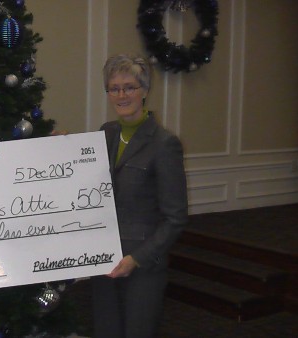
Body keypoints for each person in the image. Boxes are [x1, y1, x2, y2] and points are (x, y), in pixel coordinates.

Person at [92, 54, 188, 338]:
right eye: (114, 88)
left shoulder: (164, 144)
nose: (121, 95)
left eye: (129, 87)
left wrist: (137, 258)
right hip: (104, 260)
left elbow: (175, 218)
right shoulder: (105, 134)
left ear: (144, 91)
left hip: (142, 267)